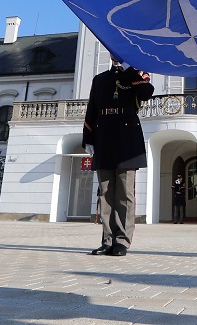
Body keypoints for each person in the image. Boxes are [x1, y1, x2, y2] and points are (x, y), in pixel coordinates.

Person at [82, 55, 153, 256]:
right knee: (105, 192)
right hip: (104, 134)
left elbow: (146, 93)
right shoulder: (100, 79)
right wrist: (88, 137)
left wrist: (128, 67)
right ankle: (107, 240)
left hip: (127, 136)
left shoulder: (137, 75)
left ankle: (122, 240)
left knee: (124, 192)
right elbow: (92, 109)